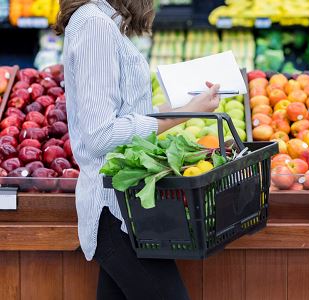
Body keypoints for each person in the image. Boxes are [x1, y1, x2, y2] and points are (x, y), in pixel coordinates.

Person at [54, 0, 220, 299]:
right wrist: (180, 116)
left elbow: (126, 114)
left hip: (127, 207)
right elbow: (100, 134)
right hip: (115, 211)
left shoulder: (102, 22)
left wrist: (188, 107)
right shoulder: (96, 26)